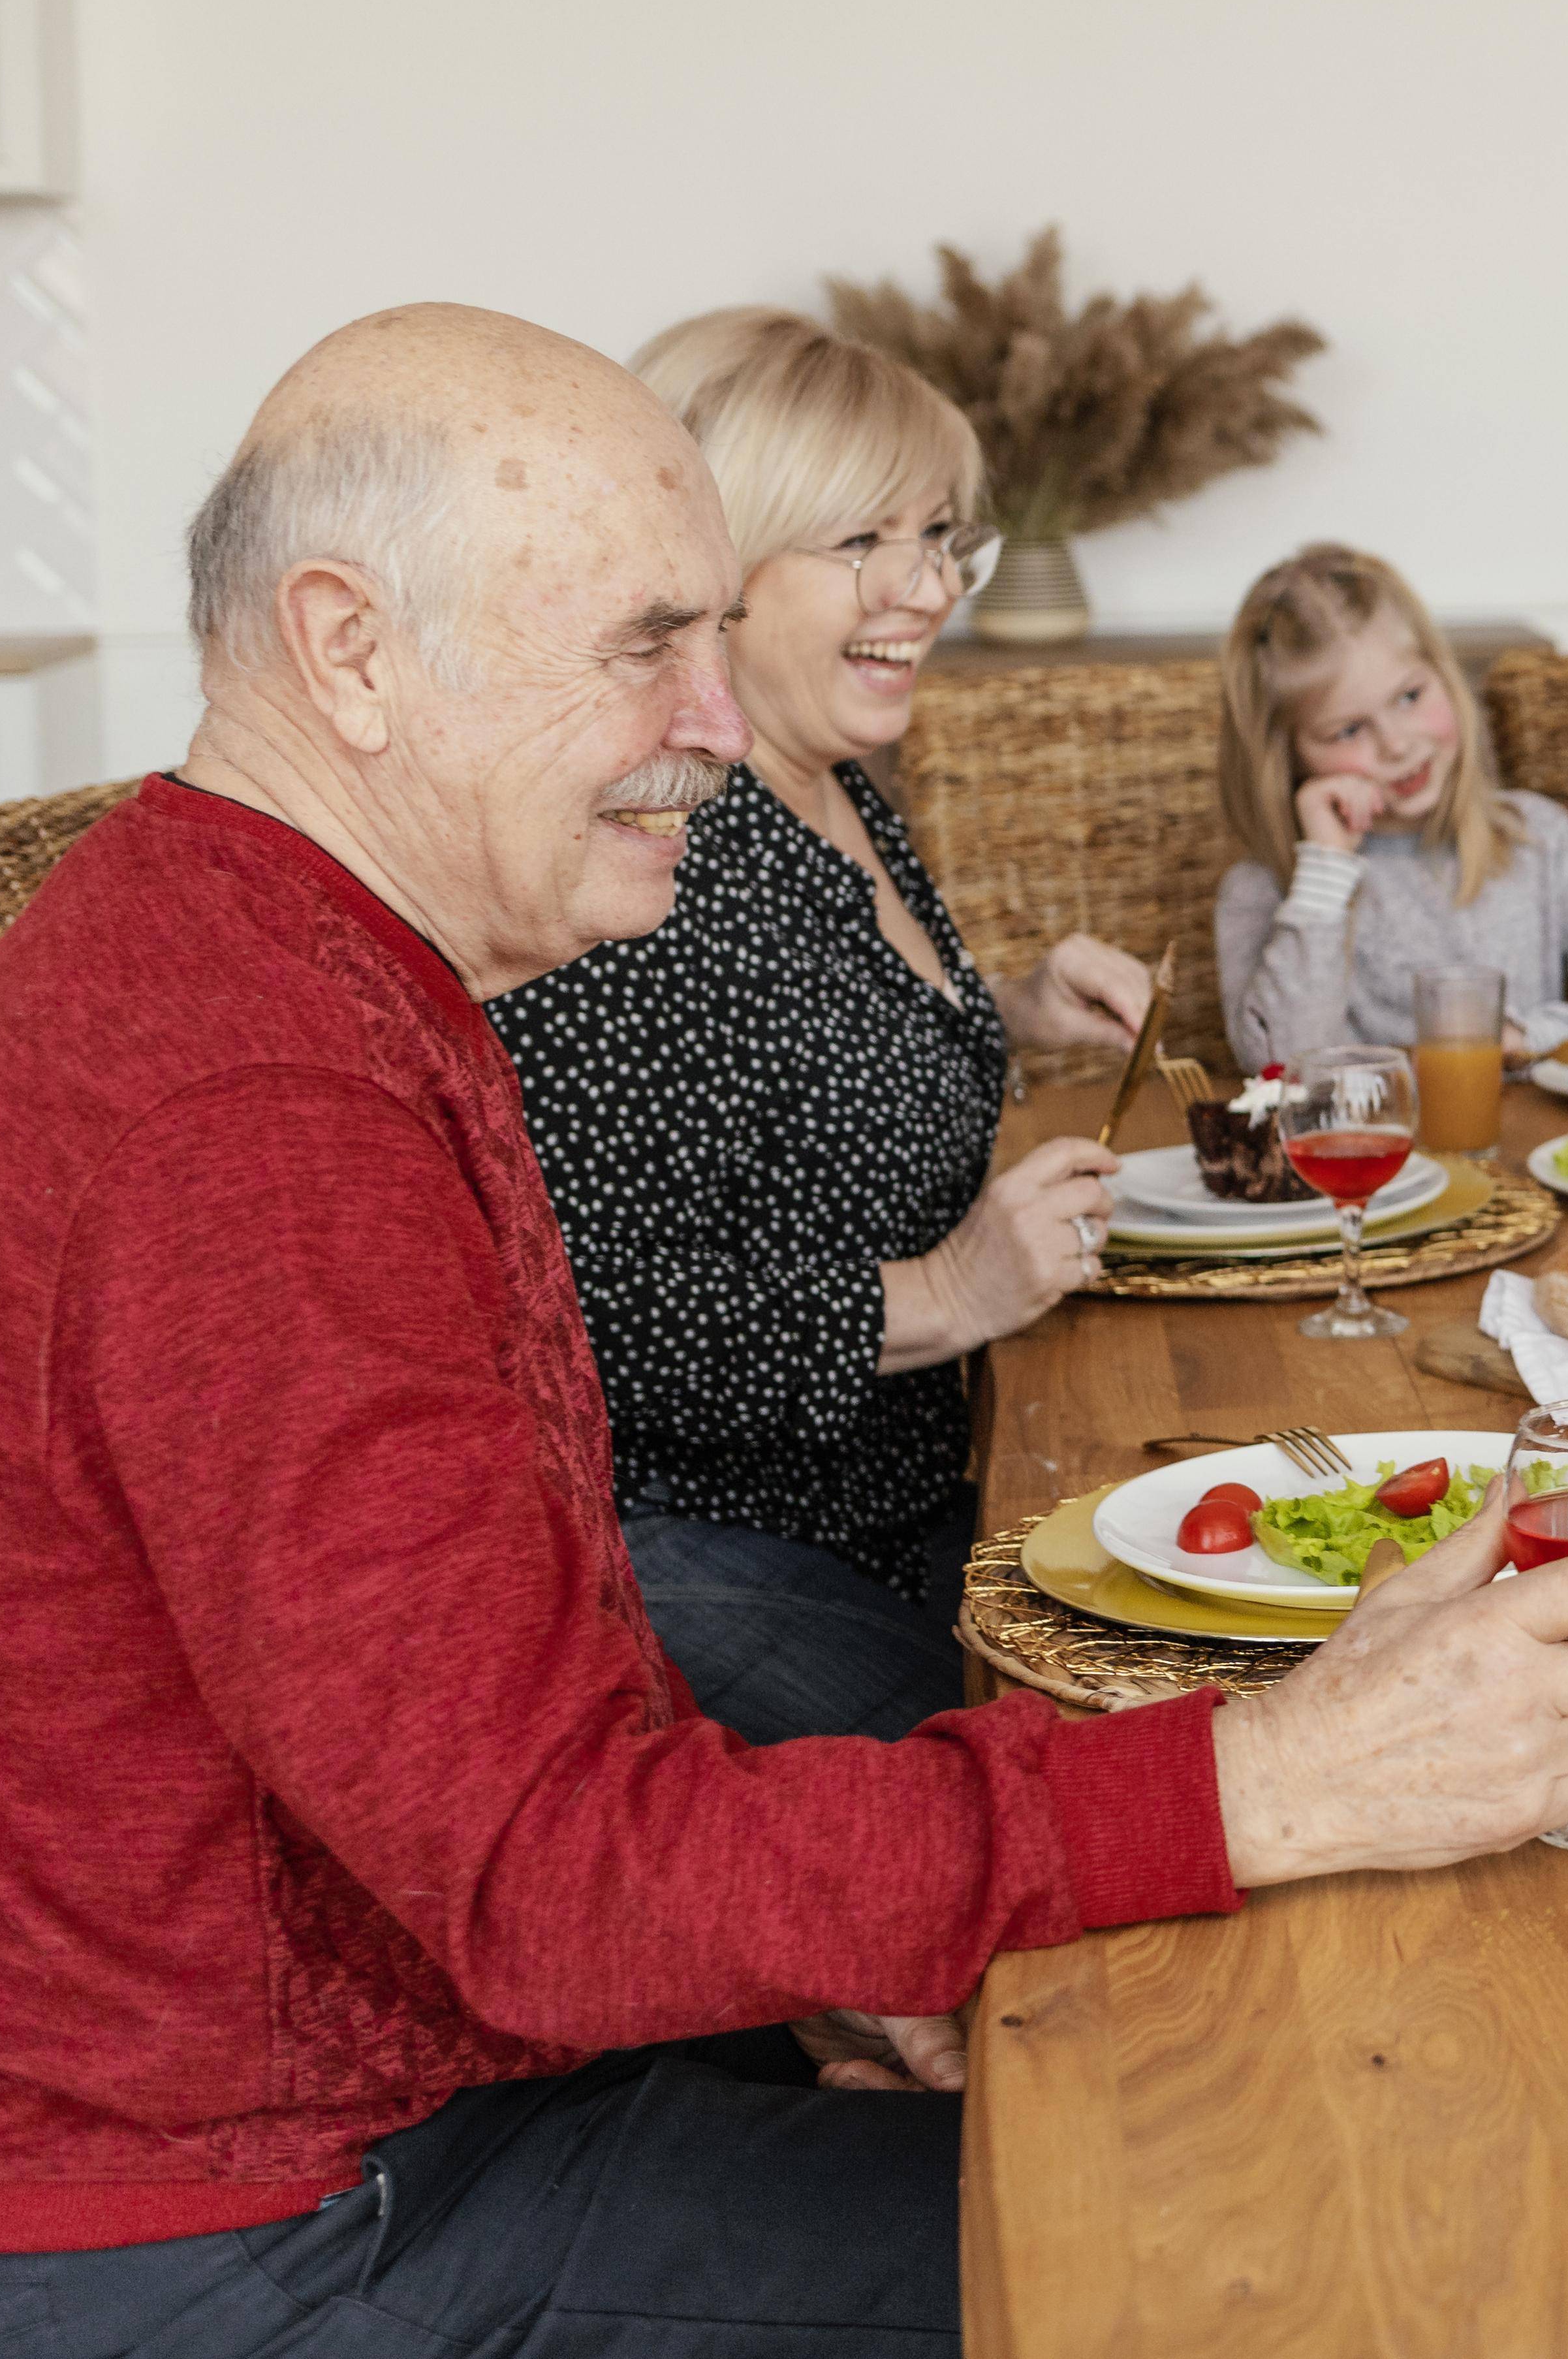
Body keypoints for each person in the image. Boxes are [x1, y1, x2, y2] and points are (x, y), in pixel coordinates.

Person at [0, 304, 1568, 2349]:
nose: (715, 718)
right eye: (641, 645)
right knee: (1299, 2250)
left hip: (415, 2079)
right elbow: (547, 1875)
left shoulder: (280, 966)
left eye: (718, 635)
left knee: (1216, 2118)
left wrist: (795, 1937)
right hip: (250, 2217)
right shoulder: (253, 1104)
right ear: (350, 649)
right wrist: (1263, 1780)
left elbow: (474, 1748)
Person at [489, 308, 1148, 1746]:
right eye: (860, 541)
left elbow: (800, 1069)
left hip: (907, 1486)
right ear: (714, 568)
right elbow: (581, 1310)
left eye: (938, 536)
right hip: (701, 1543)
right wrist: (950, 1295)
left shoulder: (832, 786)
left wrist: (1005, 1013)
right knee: (1087, 1784)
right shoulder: (658, 848)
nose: (925, 586)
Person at [1211, 542, 1568, 1067]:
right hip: (1384, 1149)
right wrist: (1324, 877)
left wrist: (1531, 1035)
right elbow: (1281, 1067)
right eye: (1348, 729)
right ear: (1288, 758)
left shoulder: (1537, 836)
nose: (1397, 744)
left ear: (1444, 676)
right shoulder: (1265, 890)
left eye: (1410, 697)